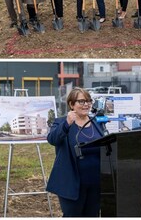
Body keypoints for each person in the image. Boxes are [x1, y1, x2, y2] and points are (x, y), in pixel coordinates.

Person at [47, 87, 104, 217]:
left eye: (89, 101)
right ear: (72, 104)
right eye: (82, 101)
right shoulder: (61, 122)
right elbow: (52, 139)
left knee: (92, 215)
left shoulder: (95, 122)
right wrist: (67, 123)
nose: (87, 104)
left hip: (96, 182)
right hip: (72, 183)